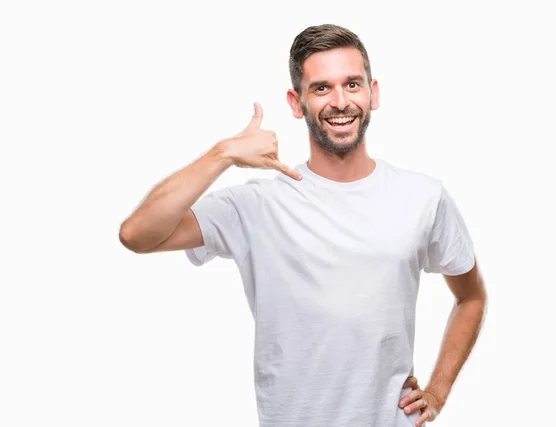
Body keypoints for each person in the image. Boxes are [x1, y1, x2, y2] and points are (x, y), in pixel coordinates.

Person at [119, 23, 487, 427]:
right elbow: (137, 234)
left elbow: (471, 297)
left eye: (352, 84)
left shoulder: (423, 196)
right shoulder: (257, 205)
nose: (340, 101)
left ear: (373, 92)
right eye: (321, 88)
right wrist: (222, 154)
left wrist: (437, 391)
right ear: (297, 102)